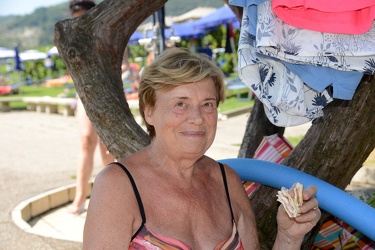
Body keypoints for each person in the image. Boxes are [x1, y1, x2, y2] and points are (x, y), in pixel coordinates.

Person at [83, 48, 321, 249]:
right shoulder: (118, 186)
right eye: (180, 104)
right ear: (149, 111)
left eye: (207, 104)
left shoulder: (227, 181)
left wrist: (289, 237)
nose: (197, 118)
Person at [67, 0, 114, 215]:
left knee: (107, 145)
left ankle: (112, 194)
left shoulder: (107, 33)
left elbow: (121, 63)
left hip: (109, 91)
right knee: (86, 141)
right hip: (85, 92)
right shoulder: (70, 38)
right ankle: (80, 194)